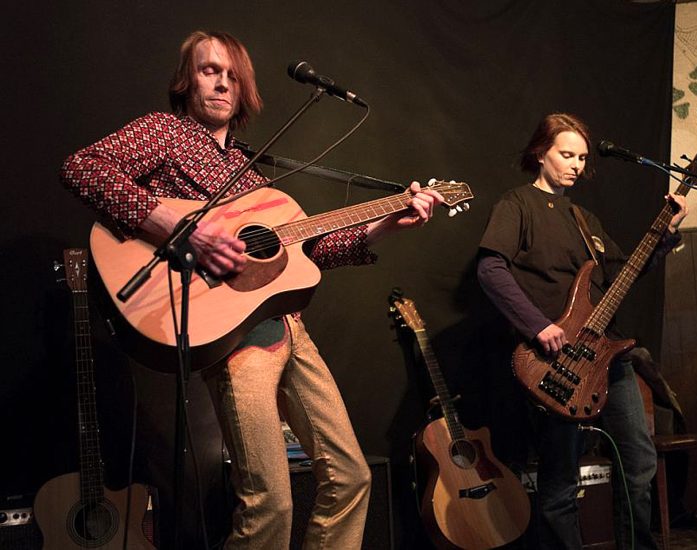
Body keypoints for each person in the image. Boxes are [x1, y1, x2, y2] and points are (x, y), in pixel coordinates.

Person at [60, 30, 444, 549]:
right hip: (235, 340)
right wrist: (183, 227)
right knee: (271, 500)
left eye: (232, 75)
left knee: (352, 477)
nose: (222, 82)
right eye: (208, 70)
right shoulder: (165, 132)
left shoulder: (248, 169)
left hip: (288, 328)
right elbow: (84, 168)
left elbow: (306, 256)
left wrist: (385, 224)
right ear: (185, 80)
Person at [476, 113, 687, 549]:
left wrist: (665, 235)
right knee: (560, 479)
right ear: (540, 153)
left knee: (639, 465)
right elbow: (491, 269)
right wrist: (538, 326)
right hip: (559, 361)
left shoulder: (584, 219)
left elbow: (621, 273)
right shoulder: (516, 205)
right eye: (566, 154)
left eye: (582, 157)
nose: (575, 164)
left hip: (609, 357)